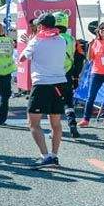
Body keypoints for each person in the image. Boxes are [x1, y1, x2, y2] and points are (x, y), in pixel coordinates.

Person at [21, 14, 67, 168]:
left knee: (33, 123)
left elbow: (22, 58)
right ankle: (54, 155)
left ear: (41, 25)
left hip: (41, 84)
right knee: (56, 122)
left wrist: (28, 44)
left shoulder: (36, 41)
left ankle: (45, 156)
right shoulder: (62, 40)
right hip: (59, 83)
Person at [53, 13, 83, 139]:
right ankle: (72, 125)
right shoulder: (72, 39)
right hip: (68, 74)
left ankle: (55, 130)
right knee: (68, 102)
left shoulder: (52, 38)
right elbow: (80, 58)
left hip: (54, 75)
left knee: (54, 103)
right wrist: (76, 77)